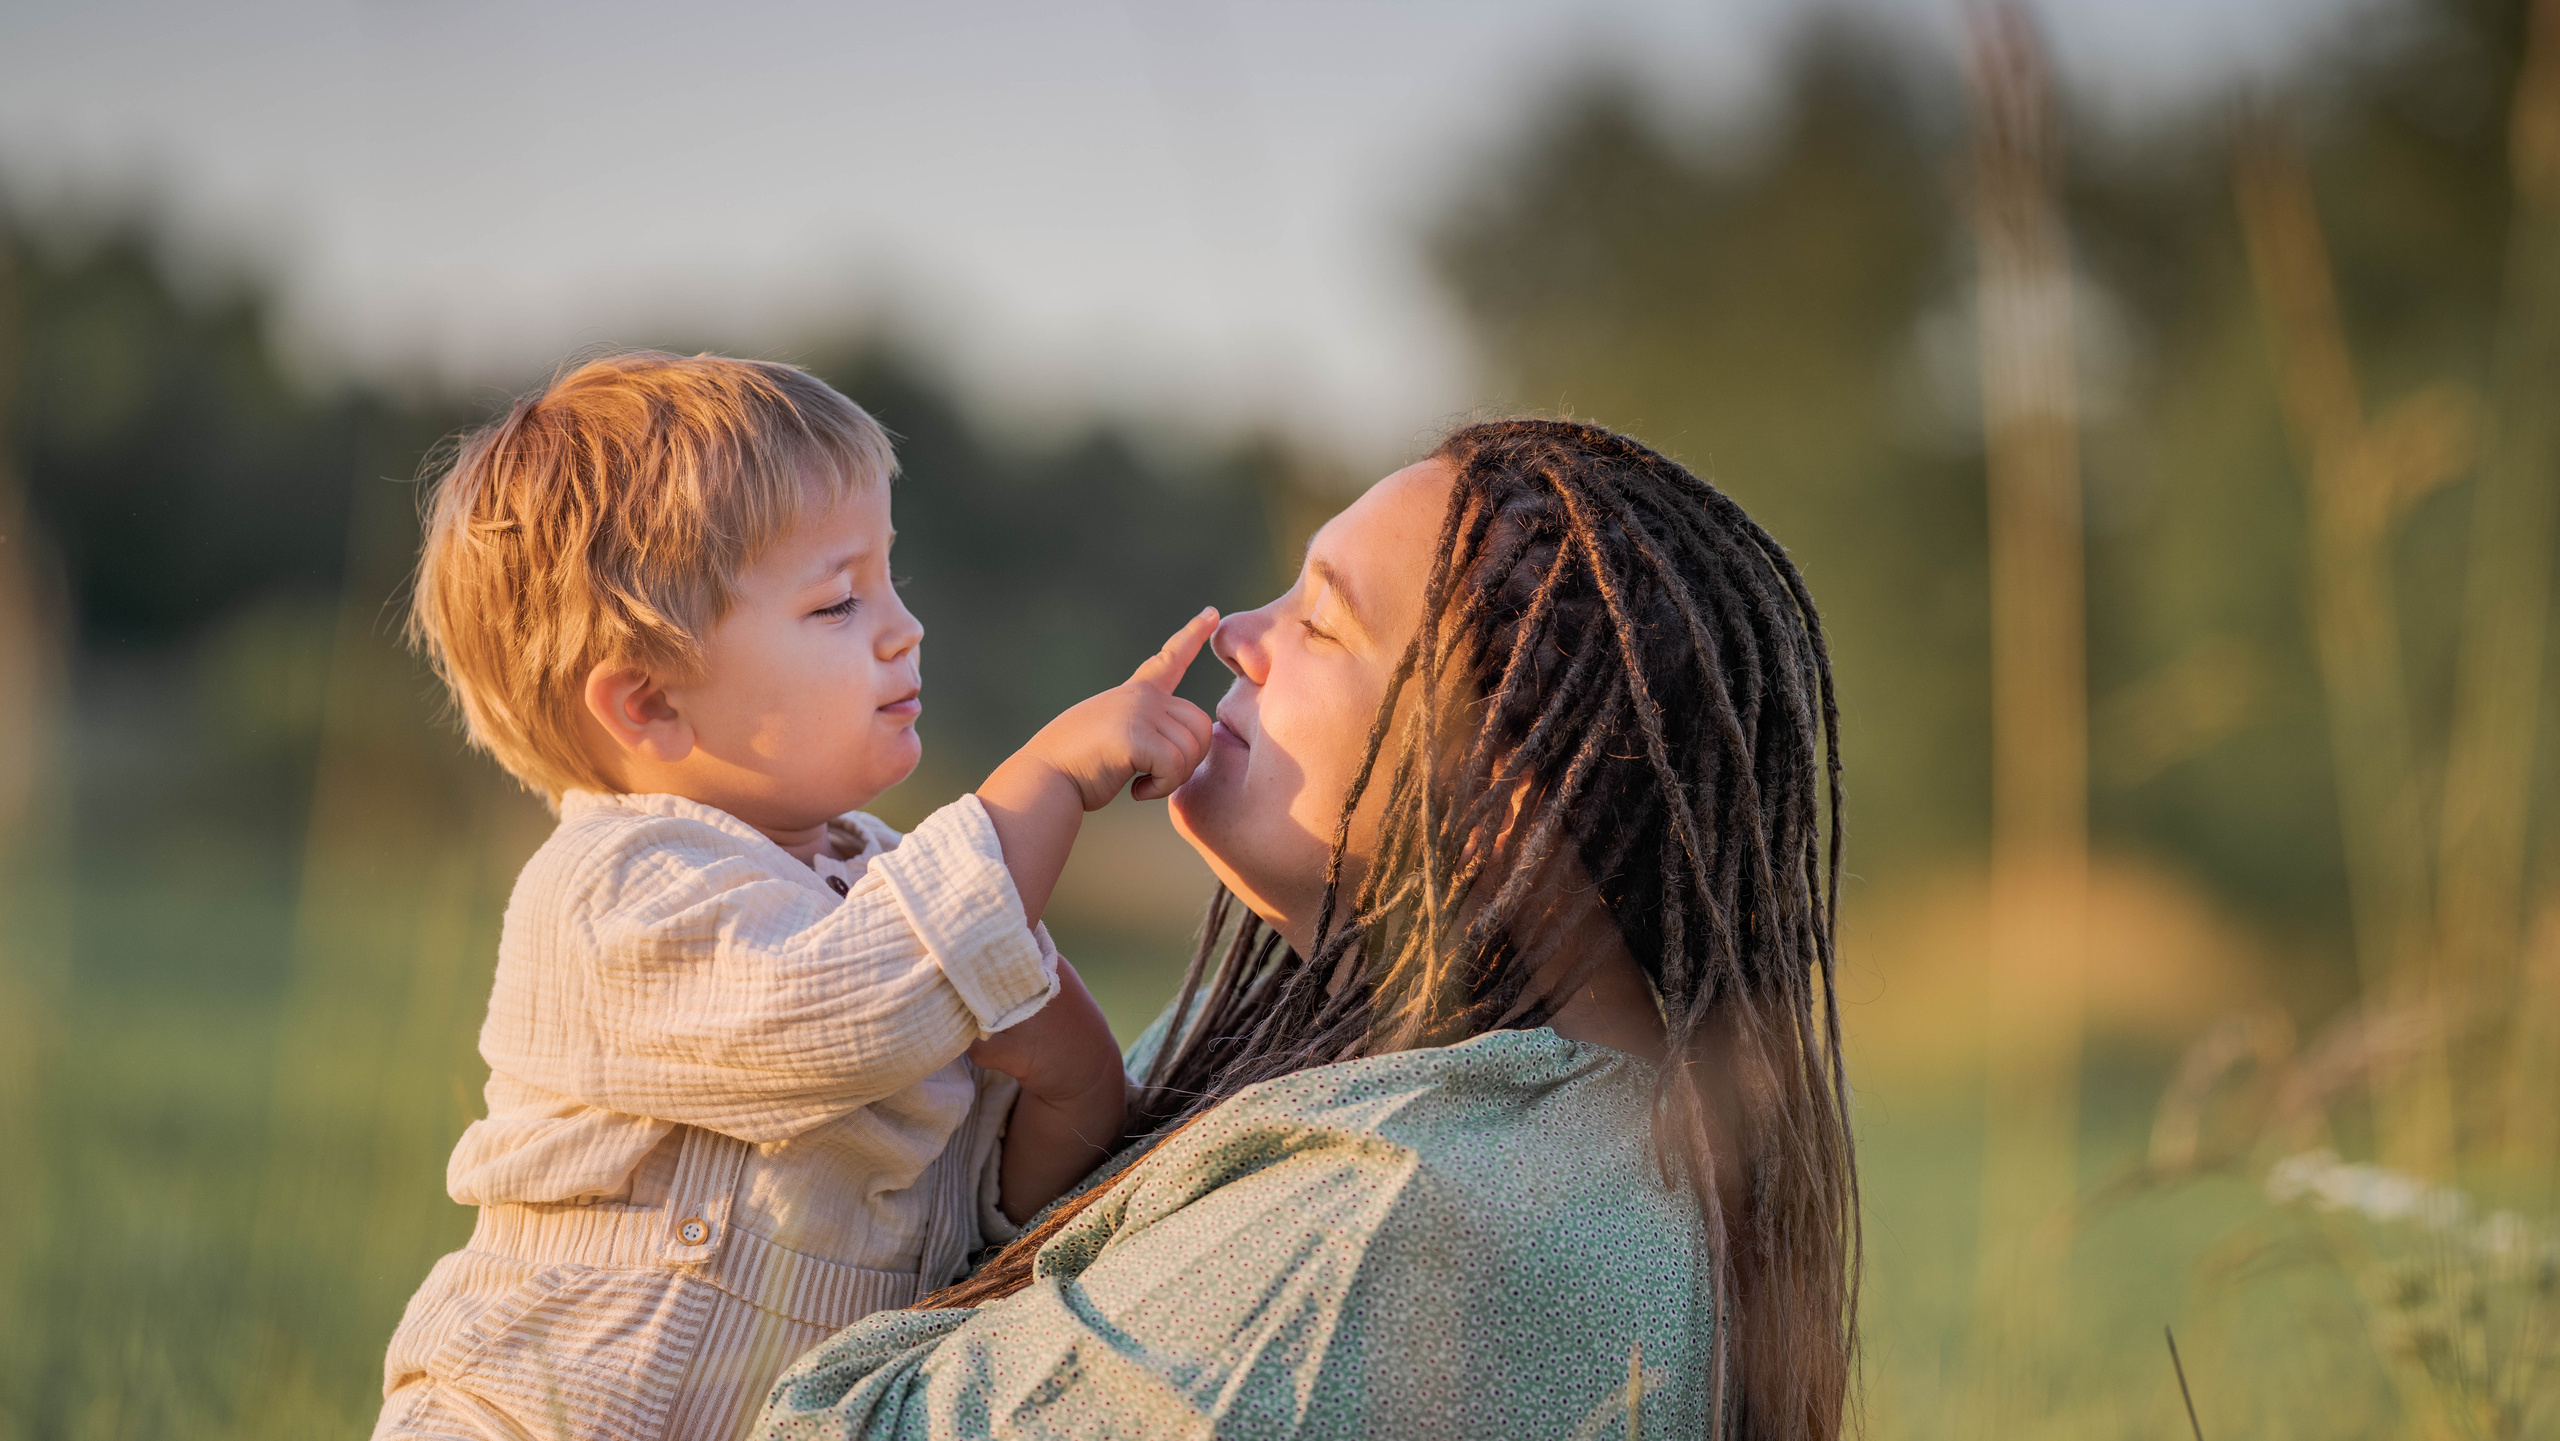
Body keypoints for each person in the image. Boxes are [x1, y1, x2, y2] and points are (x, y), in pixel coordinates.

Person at [755, 419, 1861, 1441]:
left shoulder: (1398, 1216)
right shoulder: (1457, 1106)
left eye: (1321, 621)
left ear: (1492, 801)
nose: (1236, 634)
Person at [374, 351, 1221, 1441]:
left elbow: (984, 1211)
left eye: (888, 577)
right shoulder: (611, 888)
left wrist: (1070, 1080)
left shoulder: (886, 887)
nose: (901, 626)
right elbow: (836, 1020)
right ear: (650, 701)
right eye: (835, 601)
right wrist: (1047, 780)